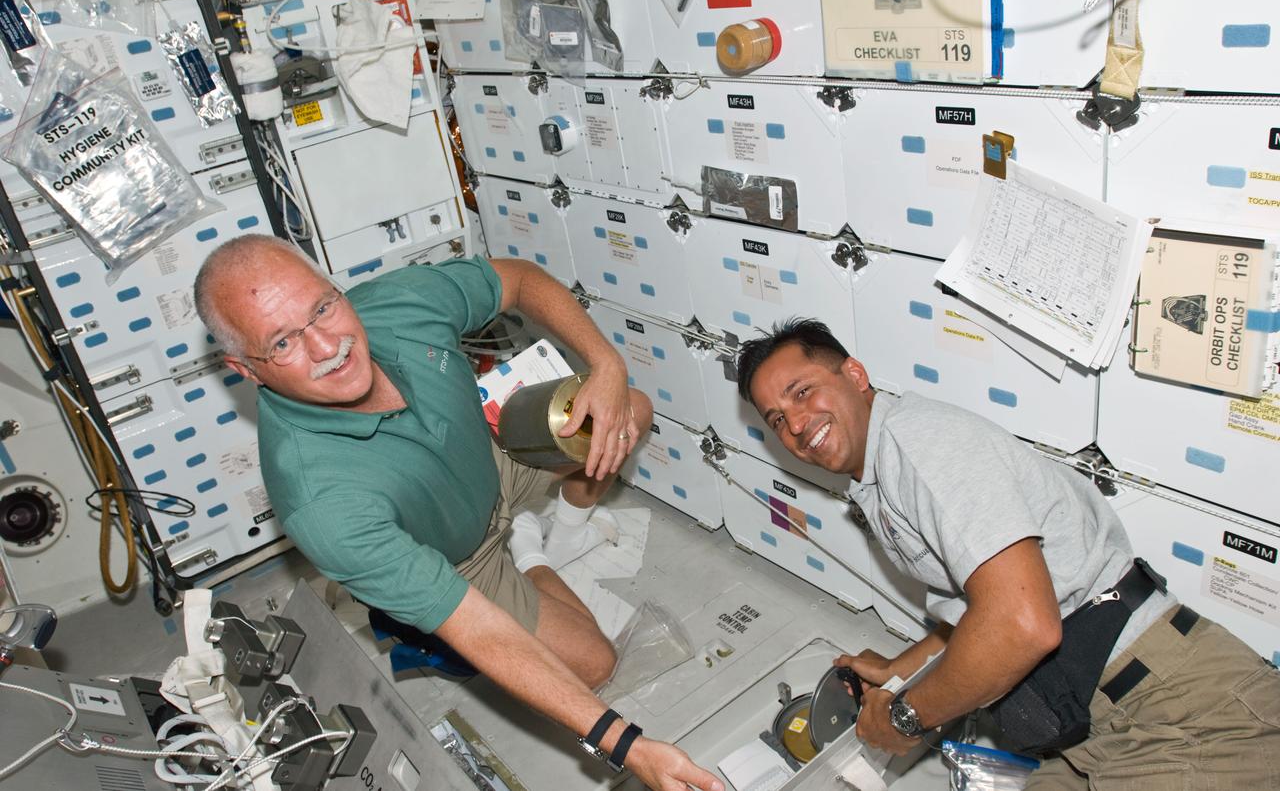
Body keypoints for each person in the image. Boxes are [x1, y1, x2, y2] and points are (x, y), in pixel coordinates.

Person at [194, 234, 721, 791]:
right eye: (282, 343)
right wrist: (625, 746)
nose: (329, 345)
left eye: (323, 307)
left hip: (492, 454)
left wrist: (607, 364)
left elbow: (517, 278)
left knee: (628, 410)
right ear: (245, 369)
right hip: (458, 561)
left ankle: (555, 535)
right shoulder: (321, 500)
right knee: (594, 665)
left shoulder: (395, 302)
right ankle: (522, 555)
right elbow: (475, 627)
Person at [736, 317, 1280, 788]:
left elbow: (1022, 624)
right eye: (777, 418)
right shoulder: (880, 475)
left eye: (802, 392)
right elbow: (987, 606)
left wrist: (905, 716)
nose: (797, 424)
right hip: (1090, 717)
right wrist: (903, 671)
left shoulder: (918, 447)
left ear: (854, 375)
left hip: (1178, 714)